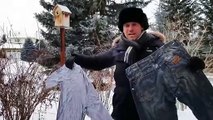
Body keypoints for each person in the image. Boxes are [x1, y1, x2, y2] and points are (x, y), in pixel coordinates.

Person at [65, 7, 205, 120]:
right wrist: (76, 58)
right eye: (126, 25)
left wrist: (192, 65)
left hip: (155, 112)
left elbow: (178, 67)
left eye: (134, 24)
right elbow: (97, 62)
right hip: (123, 112)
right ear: (122, 28)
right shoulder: (118, 48)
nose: (130, 29)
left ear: (142, 26)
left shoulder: (158, 47)